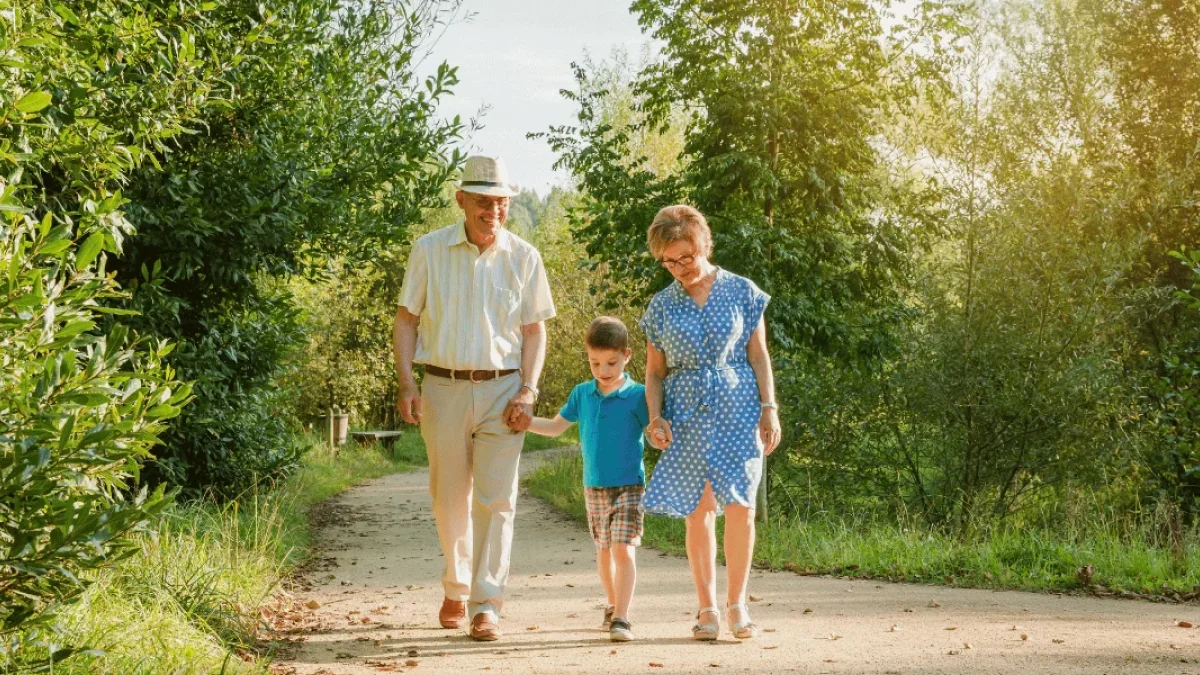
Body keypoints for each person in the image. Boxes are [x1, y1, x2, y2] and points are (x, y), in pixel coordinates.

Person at [393, 155, 555, 642]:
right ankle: (456, 586)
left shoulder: (524, 256)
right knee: (449, 499)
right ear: (461, 200)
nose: (494, 211)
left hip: (504, 390)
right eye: (484, 201)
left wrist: (529, 390)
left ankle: (487, 602)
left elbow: (534, 331)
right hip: (441, 387)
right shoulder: (429, 249)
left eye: (501, 202)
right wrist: (407, 382)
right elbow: (407, 320)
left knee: (497, 499)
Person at [639, 205, 782, 641]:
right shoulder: (661, 305)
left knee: (742, 508)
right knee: (699, 512)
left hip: (739, 407)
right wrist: (655, 417)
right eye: (667, 261)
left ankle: (738, 605)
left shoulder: (743, 291)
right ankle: (706, 609)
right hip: (686, 412)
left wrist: (769, 406)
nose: (677, 268)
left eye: (684, 257)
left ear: (703, 245)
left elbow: (758, 355)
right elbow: (654, 371)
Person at [526, 317, 650, 642]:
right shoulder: (582, 393)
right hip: (593, 486)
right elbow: (555, 427)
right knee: (605, 550)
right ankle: (611, 604)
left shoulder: (639, 395)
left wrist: (664, 434)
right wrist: (525, 421)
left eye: (611, 362)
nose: (603, 370)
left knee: (623, 549)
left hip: (629, 485)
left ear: (627, 355)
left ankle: (622, 617)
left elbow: (654, 433)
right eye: (595, 362)